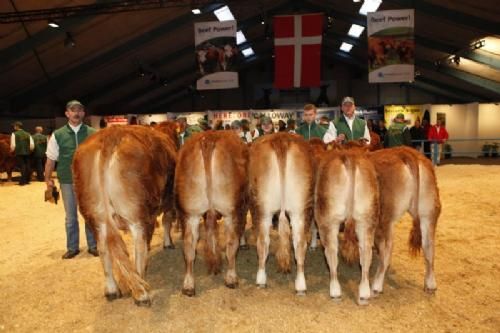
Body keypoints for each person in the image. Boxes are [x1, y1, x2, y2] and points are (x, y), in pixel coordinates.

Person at [44, 100, 98, 259]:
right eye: (73, 110)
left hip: (88, 180)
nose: (76, 113)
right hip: (67, 180)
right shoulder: (58, 135)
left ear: (84, 113)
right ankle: (72, 247)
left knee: (89, 213)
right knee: (71, 217)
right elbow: (50, 159)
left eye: (80, 110)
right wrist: (47, 179)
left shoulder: (93, 133)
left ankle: (93, 245)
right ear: (67, 113)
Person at [10, 121, 34, 185]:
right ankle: (27, 180)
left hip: (19, 152)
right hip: (27, 152)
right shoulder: (28, 134)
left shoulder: (14, 134)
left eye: (14, 126)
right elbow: (32, 145)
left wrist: (11, 150)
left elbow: (13, 145)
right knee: (27, 166)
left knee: (22, 166)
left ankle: (22, 182)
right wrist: (30, 150)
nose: (14, 127)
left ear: (17, 126)